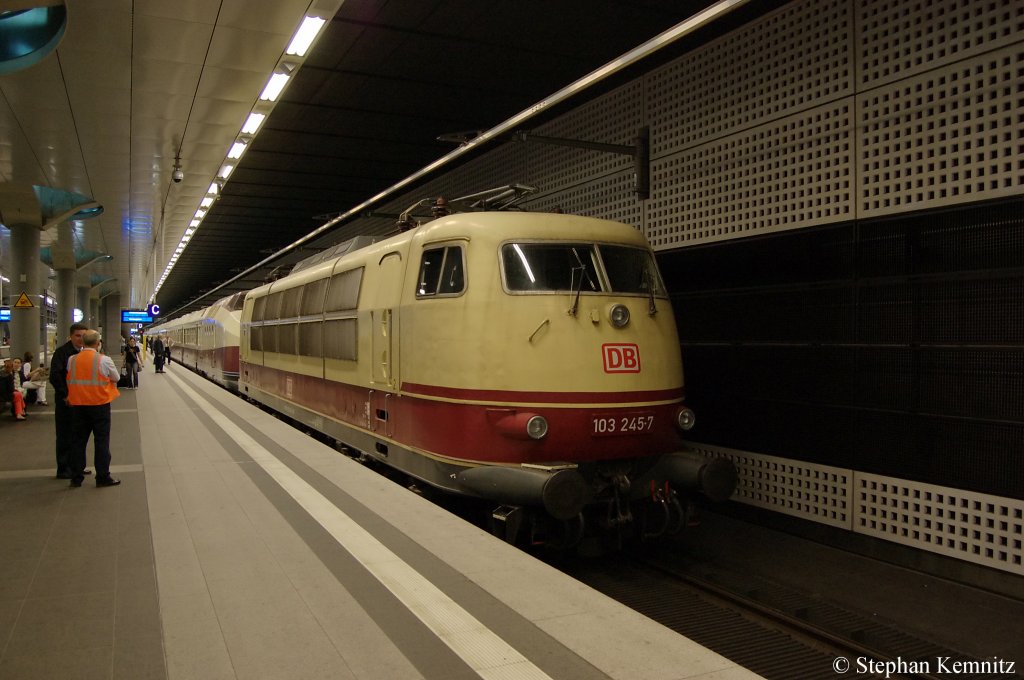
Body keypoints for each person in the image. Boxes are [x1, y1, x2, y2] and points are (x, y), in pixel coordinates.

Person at [66, 330, 121, 488]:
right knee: (101, 441)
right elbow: (116, 378)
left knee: (78, 442)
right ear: (98, 343)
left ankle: (76, 478)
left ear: (83, 343)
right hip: (99, 406)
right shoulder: (104, 360)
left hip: (78, 406)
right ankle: (102, 477)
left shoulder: (72, 359)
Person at [50, 323, 91, 478]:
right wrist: (65, 395)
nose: (81, 339)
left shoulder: (84, 352)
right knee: (64, 434)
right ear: (71, 336)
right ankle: (63, 469)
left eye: (83, 336)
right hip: (66, 401)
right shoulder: (62, 353)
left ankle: (76, 466)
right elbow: (55, 376)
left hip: (80, 401)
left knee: (78, 435)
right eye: (78, 336)